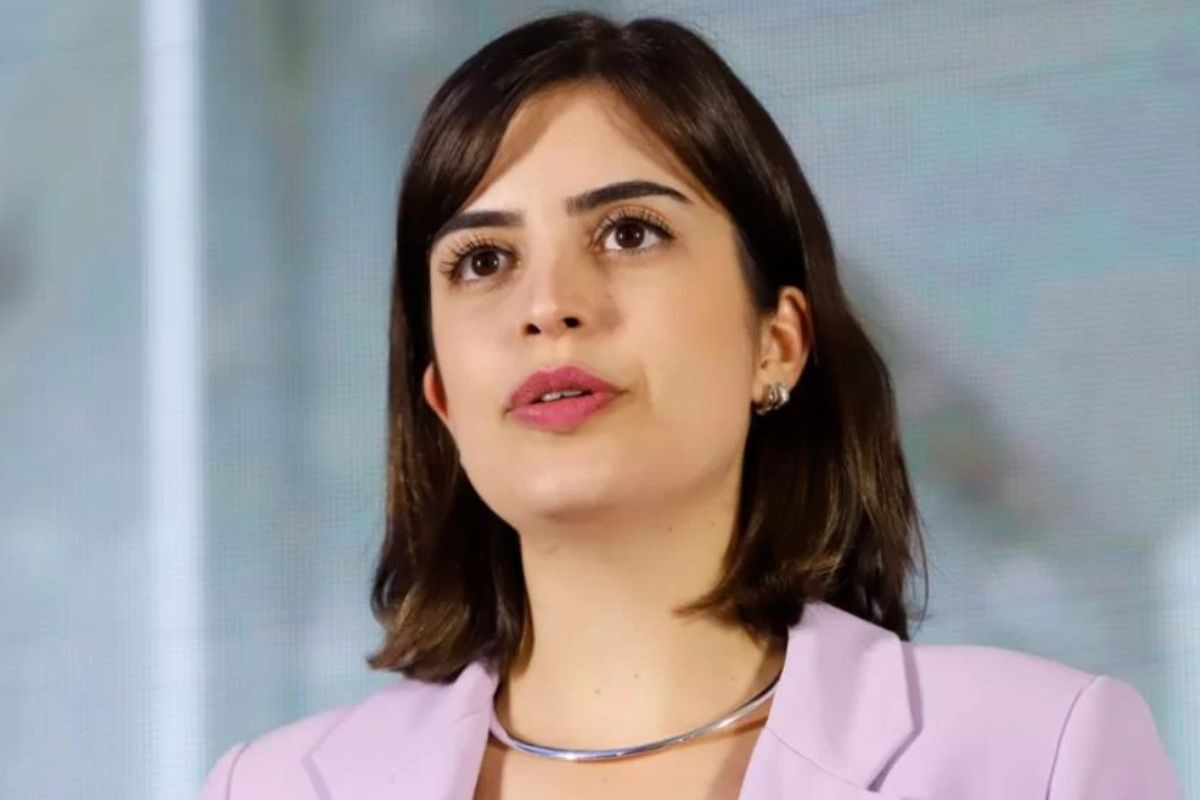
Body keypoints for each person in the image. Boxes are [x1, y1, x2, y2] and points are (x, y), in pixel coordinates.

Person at [201, 11, 1181, 799]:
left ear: (777, 341)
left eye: (629, 232)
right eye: (484, 259)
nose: (549, 305)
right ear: (442, 397)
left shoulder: (1038, 756)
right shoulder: (276, 787)